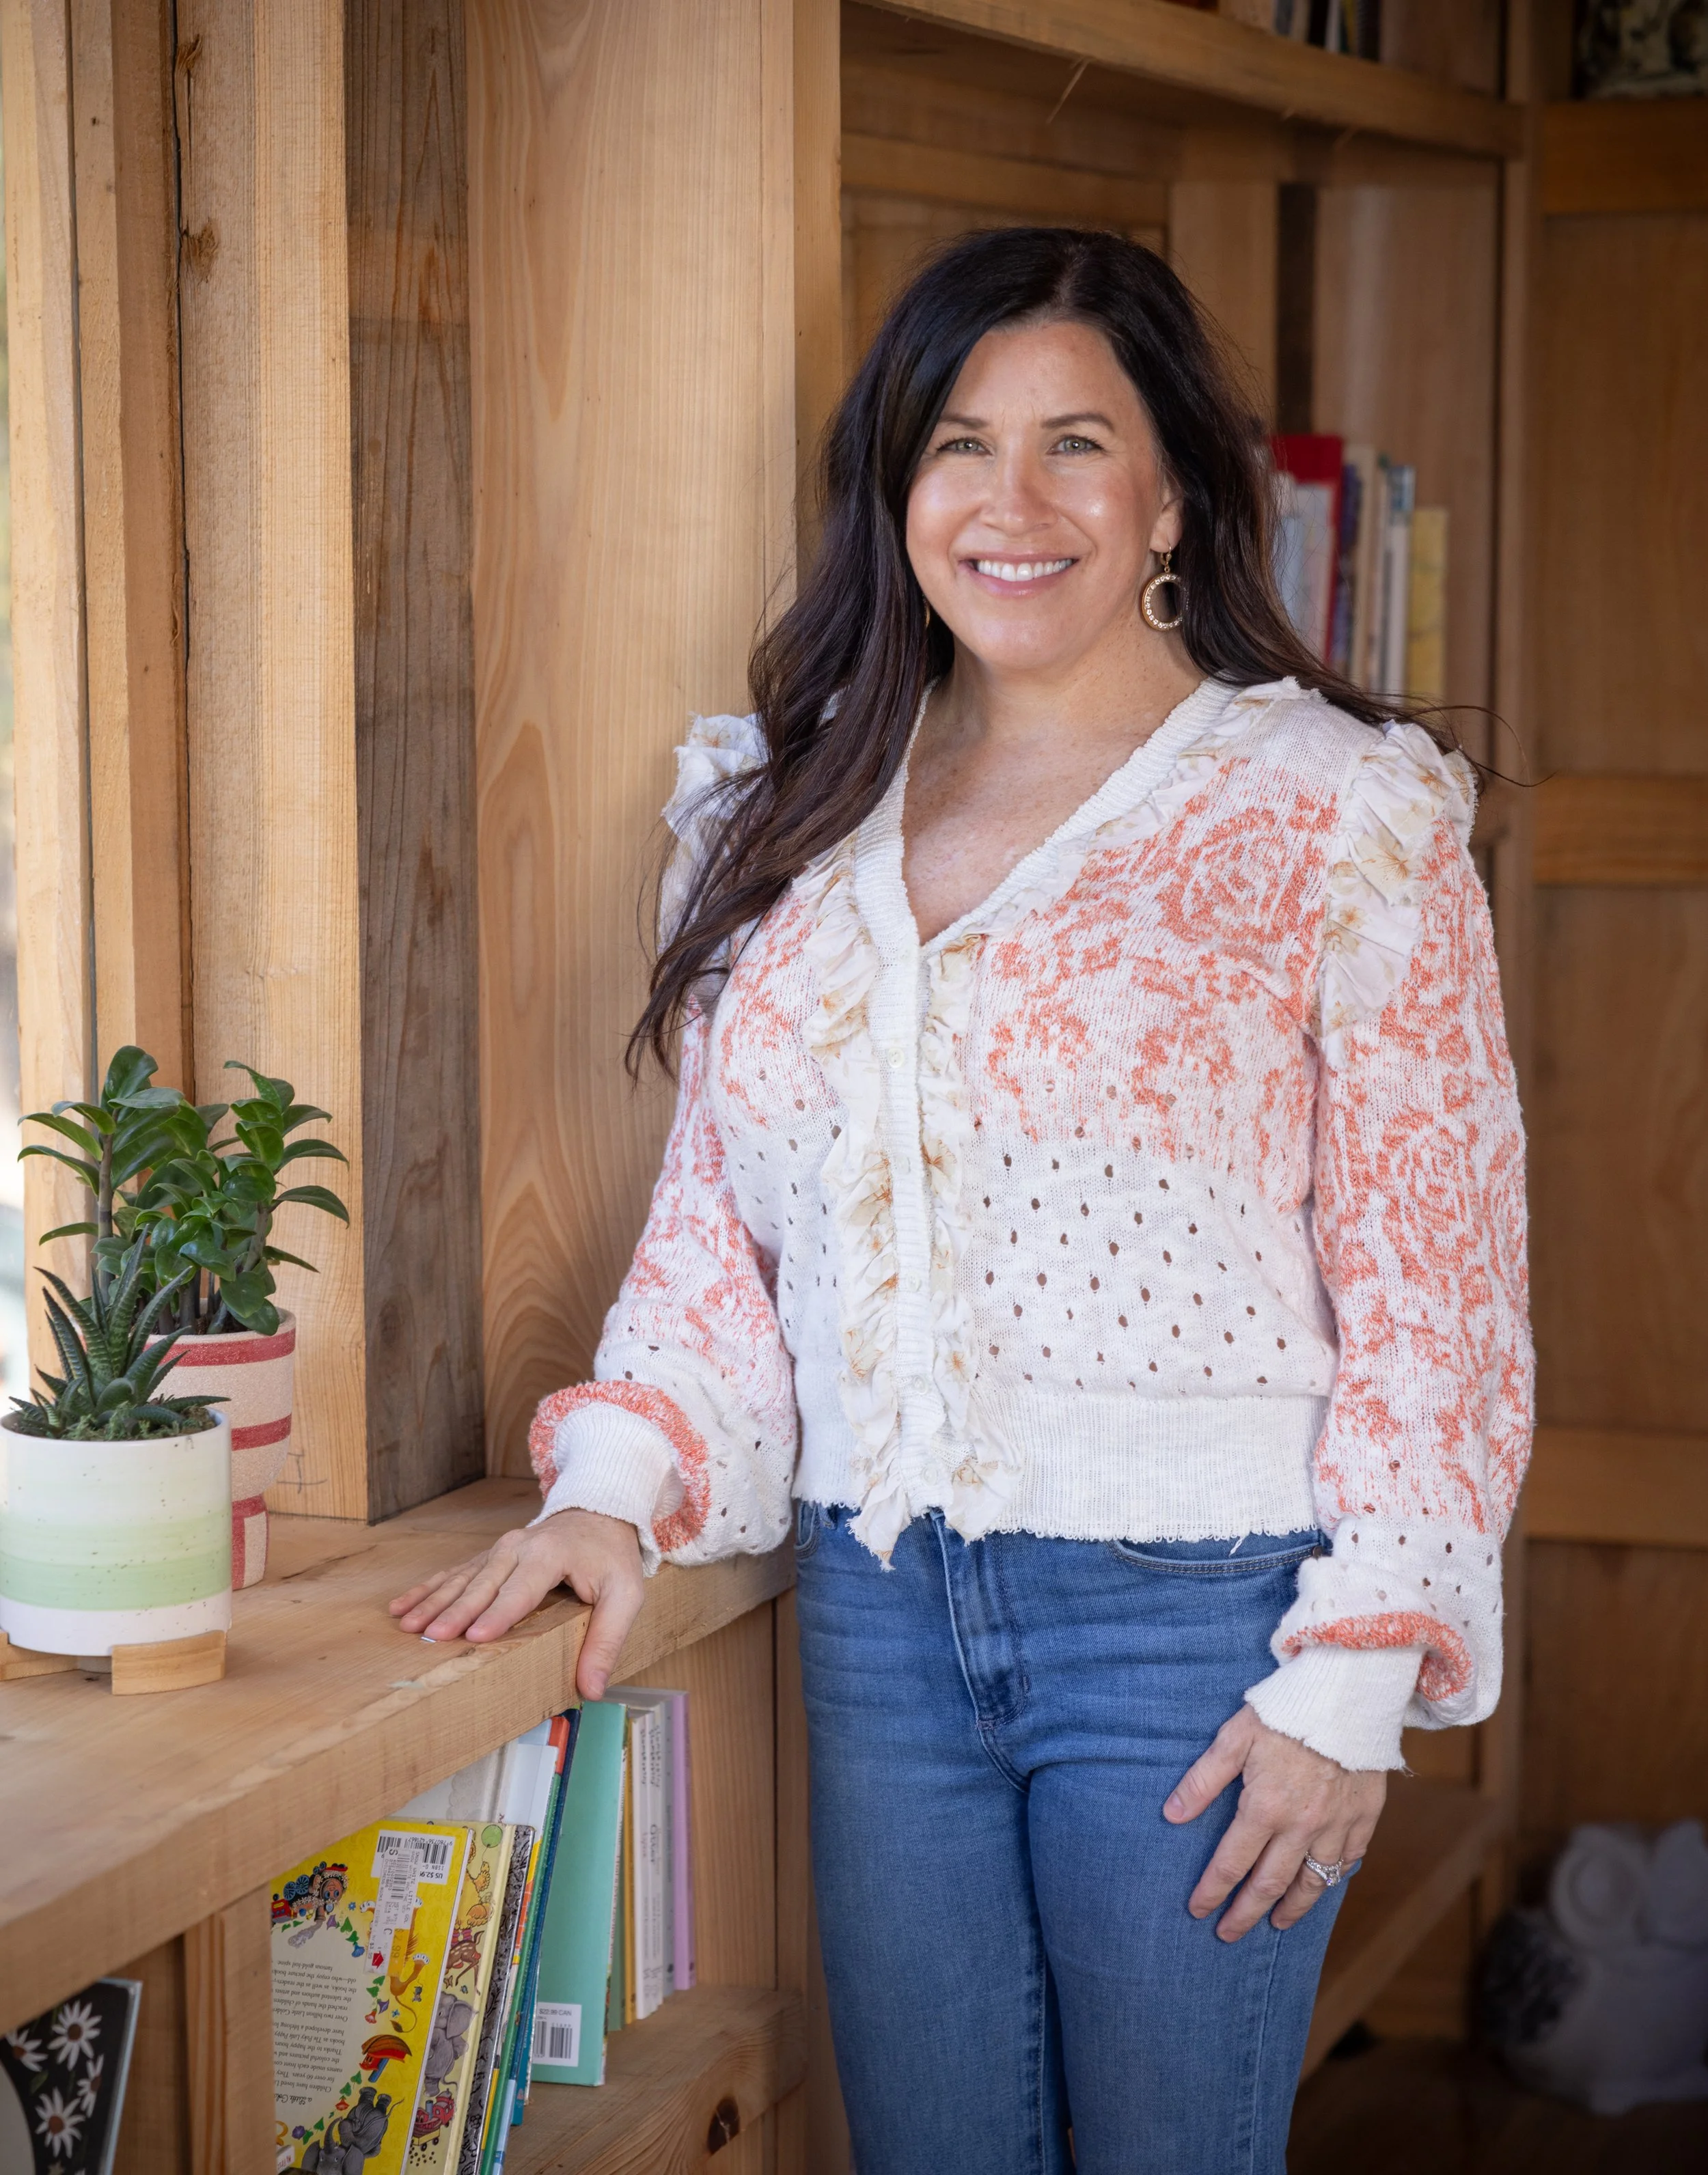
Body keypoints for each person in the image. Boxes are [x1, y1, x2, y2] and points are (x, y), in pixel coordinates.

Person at [391, 227, 1532, 2174]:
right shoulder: (788, 804)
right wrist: (608, 1490)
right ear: (890, 491)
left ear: (1171, 486)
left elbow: (1440, 1278)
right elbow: (720, 1244)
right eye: (954, 445)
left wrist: (1356, 1669)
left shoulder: (1334, 813)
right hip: (880, 1610)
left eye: (1074, 444)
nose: (1008, 503)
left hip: (1203, 1629)